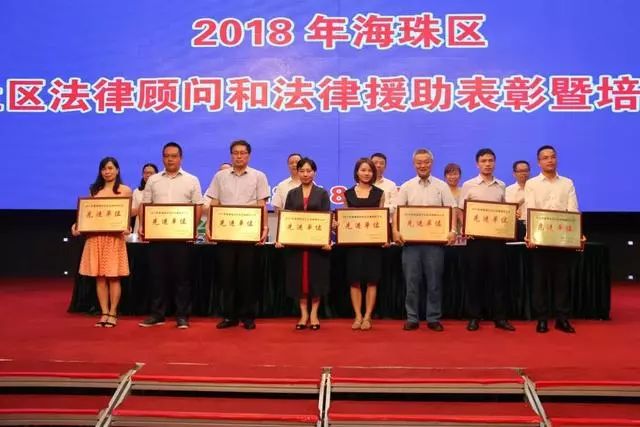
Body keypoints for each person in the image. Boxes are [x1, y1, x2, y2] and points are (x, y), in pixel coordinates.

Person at [204, 140, 269, 330]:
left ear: (249, 155)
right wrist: (209, 226)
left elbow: (262, 205)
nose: (239, 156)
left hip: (249, 234)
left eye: (242, 153)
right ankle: (229, 316)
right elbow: (214, 203)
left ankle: (248, 316)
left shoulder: (258, 176)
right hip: (225, 234)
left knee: (247, 277)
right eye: (235, 153)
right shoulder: (220, 176)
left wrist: (264, 228)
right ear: (231, 155)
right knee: (227, 276)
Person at [138, 142, 203, 329]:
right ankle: (157, 314)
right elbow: (145, 205)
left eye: (174, 156)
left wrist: (192, 228)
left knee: (182, 278)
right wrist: (143, 226)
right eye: (166, 156)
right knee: (157, 276)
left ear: (180, 158)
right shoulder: (153, 180)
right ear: (162, 158)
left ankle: (182, 316)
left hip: (182, 238)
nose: (170, 159)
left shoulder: (191, 180)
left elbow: (198, 206)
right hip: (157, 236)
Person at [394, 149, 457, 332]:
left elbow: (452, 209)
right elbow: (397, 211)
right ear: (414, 164)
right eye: (419, 162)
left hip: (434, 244)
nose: (422, 165)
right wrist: (395, 231)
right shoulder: (406, 186)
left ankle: (433, 317)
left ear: (432, 163)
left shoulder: (441, 186)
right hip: (411, 244)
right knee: (411, 282)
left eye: (426, 162)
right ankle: (412, 317)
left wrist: (453, 230)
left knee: (434, 282)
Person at [525, 145, 584, 334]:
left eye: (552, 157)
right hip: (540, 239)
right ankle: (541, 319)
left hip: (562, 239)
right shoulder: (532, 184)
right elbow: (530, 210)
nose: (550, 160)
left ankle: (562, 318)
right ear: (539, 162)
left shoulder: (567, 183)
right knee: (540, 281)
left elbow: (573, 210)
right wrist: (530, 234)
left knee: (562, 280)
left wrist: (577, 233)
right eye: (545, 158)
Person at [72, 157, 132, 328]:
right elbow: (88, 214)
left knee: (113, 277)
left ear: (117, 170)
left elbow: (127, 215)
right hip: (96, 238)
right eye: (104, 169)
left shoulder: (125, 190)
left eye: (110, 168)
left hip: (114, 239)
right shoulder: (95, 189)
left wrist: (126, 226)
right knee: (99, 278)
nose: (107, 172)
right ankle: (104, 313)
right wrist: (77, 225)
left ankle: (113, 313)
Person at [459, 149, 515, 332]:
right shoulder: (468, 185)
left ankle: (500, 317)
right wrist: (465, 228)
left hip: (496, 241)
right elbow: (460, 211)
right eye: (483, 161)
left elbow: (505, 212)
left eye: (491, 160)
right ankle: (474, 317)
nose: (487, 164)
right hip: (475, 240)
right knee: (474, 279)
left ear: (495, 163)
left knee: (498, 279)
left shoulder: (501, 185)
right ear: (477, 164)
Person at [276, 157, 331, 330]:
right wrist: (281, 238)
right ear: (297, 172)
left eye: (309, 171)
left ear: (314, 172)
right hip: (297, 246)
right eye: (302, 171)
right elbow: (287, 219)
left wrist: (326, 240)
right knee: (299, 280)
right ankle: (303, 314)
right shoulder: (292, 193)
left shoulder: (322, 193)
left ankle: (314, 314)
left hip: (317, 247)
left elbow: (326, 218)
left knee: (316, 279)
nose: (305, 174)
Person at [344, 158, 385, 331]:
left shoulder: (379, 193)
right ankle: (358, 316)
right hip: (353, 244)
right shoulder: (347, 194)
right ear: (357, 172)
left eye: (369, 170)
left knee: (371, 281)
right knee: (354, 281)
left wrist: (384, 236)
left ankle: (367, 316)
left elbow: (382, 220)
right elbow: (344, 217)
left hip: (372, 244)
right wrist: (338, 224)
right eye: (363, 170)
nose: (366, 173)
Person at [505, 160, 530, 241]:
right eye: (520, 171)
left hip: (532, 225)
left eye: (526, 170)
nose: (524, 173)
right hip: (515, 226)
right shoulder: (508, 190)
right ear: (514, 173)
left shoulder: (536, 189)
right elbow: (508, 210)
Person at [131, 163, 158, 235]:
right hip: (140, 227)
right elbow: (131, 212)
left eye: (151, 173)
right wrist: (143, 208)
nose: (148, 175)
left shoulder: (161, 190)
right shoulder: (137, 191)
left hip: (157, 225)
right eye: (145, 173)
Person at [371, 153, 397, 218]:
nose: (378, 165)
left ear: (385, 167)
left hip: (386, 221)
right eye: (375, 163)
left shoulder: (391, 185)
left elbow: (395, 207)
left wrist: (378, 207)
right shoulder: (363, 185)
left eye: (381, 163)